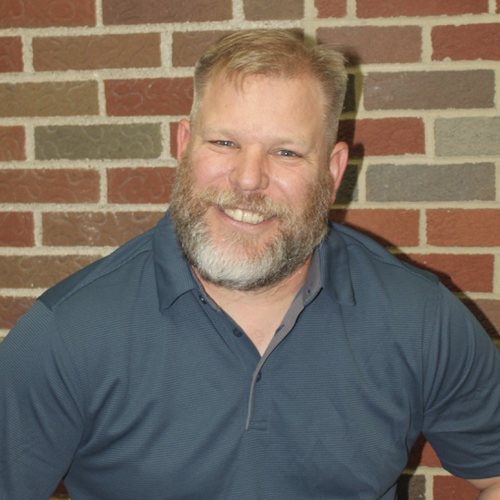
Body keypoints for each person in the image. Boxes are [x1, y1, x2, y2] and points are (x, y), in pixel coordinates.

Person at [1, 29, 500, 500]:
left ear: (332, 172)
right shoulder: (69, 331)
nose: (248, 179)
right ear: (183, 146)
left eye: (286, 151)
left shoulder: (418, 318)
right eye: (225, 143)